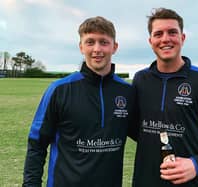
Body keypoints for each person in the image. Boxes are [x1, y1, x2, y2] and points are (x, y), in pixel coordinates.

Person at [132, 8, 198, 187]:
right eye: (158, 33)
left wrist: (196, 164)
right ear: (150, 41)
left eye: (172, 32)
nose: (165, 39)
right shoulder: (140, 79)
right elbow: (136, 129)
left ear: (182, 38)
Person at [23, 16, 136, 187]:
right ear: (81, 47)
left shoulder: (127, 92)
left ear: (115, 47)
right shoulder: (59, 89)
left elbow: (146, 135)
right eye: (90, 42)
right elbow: (37, 144)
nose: (97, 49)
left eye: (104, 42)